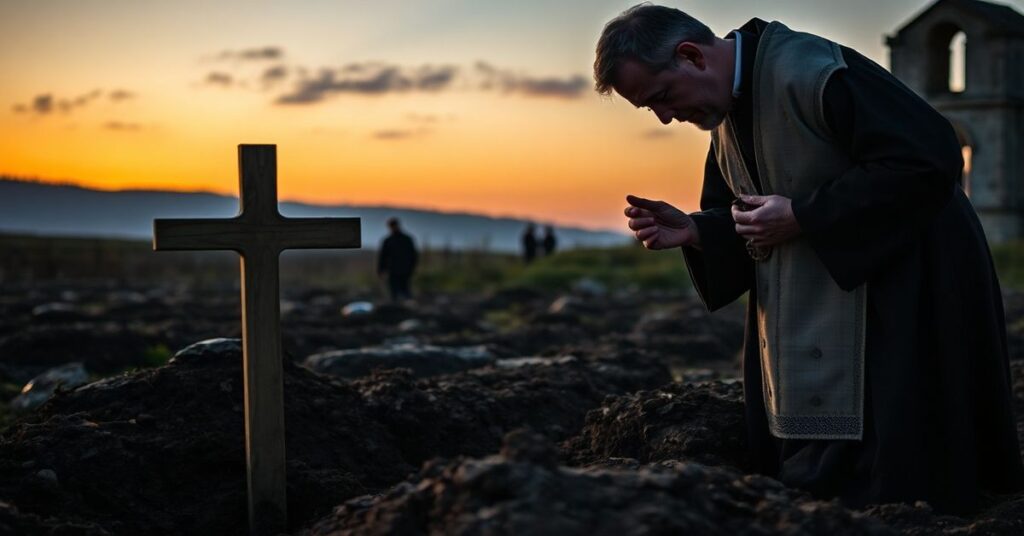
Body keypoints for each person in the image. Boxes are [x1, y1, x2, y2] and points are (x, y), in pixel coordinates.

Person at [595, 3, 1023, 513]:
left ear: (691, 56)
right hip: (811, 298)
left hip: (905, 281)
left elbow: (927, 157)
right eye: (651, 110)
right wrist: (697, 231)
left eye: (663, 97)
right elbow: (746, 207)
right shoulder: (727, 109)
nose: (666, 117)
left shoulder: (812, 71)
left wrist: (805, 216)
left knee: (905, 461)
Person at [377, 217, 418, 301]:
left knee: (404, 290)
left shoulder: (405, 240)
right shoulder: (389, 240)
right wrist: (381, 269)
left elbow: (413, 255)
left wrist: (411, 267)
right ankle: (398, 308)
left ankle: (406, 307)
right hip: (395, 270)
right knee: (395, 291)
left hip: (403, 270)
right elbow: (383, 256)